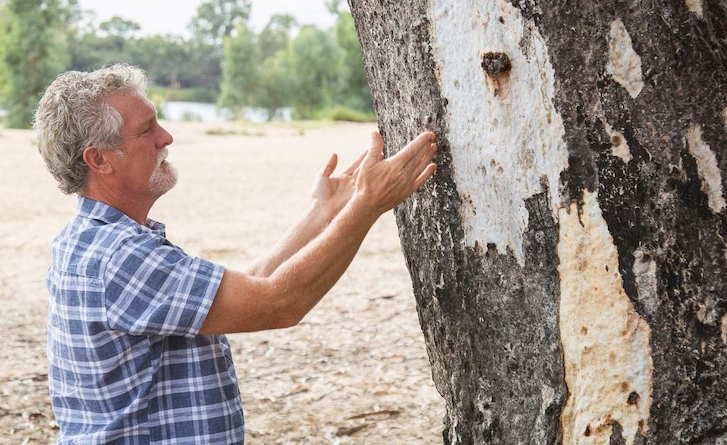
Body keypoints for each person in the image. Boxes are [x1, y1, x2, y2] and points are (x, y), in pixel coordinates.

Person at [33, 63, 437, 444]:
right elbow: (279, 303)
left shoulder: (93, 240)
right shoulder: (120, 257)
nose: (166, 138)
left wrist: (325, 213)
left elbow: (254, 283)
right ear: (99, 159)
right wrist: (367, 206)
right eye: (146, 130)